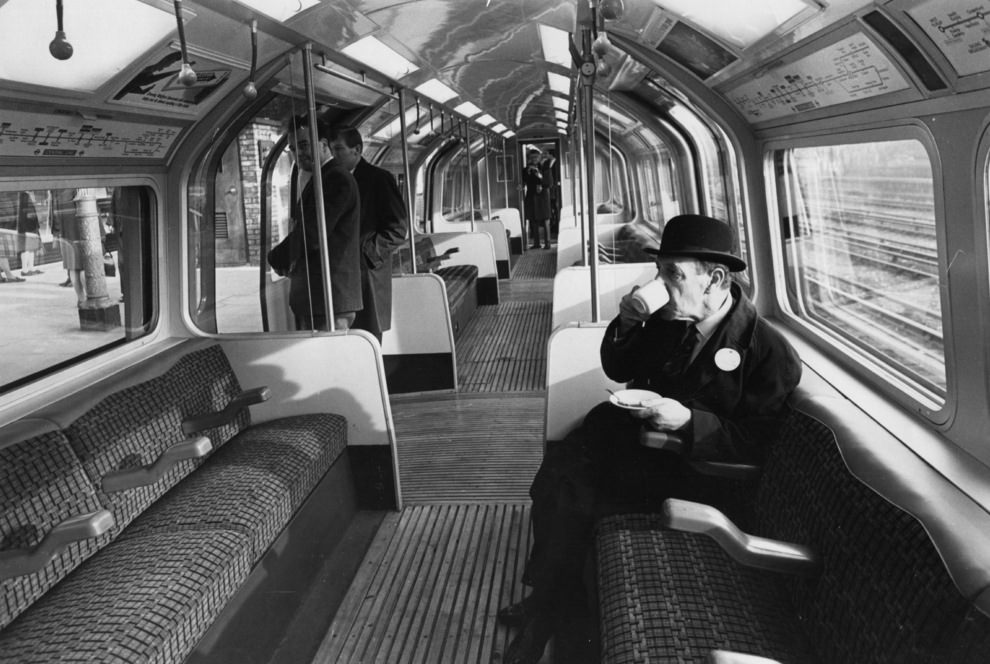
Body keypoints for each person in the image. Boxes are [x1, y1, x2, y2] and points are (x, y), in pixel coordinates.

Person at [498, 214, 803, 664]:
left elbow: (754, 442)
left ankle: (546, 612)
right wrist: (624, 324)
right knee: (556, 476)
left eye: (672, 274)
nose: (661, 283)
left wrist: (687, 421)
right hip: (630, 444)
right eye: (660, 272)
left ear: (715, 278)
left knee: (578, 496)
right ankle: (549, 603)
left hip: (688, 473)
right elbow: (619, 369)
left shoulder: (767, 352)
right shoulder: (669, 316)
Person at [267, 115, 362, 331]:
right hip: (320, 296)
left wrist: (277, 256)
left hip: (329, 297)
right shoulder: (323, 178)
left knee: (330, 361)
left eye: (303, 145)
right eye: (292, 148)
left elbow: (313, 233)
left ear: (324, 144)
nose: (298, 154)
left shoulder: (336, 179)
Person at [327, 126, 408, 342]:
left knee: (369, 342)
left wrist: (364, 256)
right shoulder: (329, 182)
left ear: (357, 150)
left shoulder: (379, 179)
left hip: (367, 278)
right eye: (330, 149)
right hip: (339, 281)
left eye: (339, 149)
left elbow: (397, 230)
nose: (334, 156)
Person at [522, 150, 551, 249]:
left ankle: (547, 243)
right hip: (531, 197)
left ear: (539, 158)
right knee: (533, 220)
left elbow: (549, 183)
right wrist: (529, 173)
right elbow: (524, 181)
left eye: (536, 157)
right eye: (532, 157)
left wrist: (541, 178)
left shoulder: (545, 168)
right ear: (529, 158)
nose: (534, 159)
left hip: (543, 198)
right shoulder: (526, 169)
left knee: (546, 220)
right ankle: (536, 243)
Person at [16, 191, 42, 277]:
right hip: (27, 226)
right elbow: (26, 212)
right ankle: (25, 269)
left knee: (31, 248)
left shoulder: (26, 195)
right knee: (26, 248)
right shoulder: (24, 195)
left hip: (30, 225)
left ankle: (31, 268)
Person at [541, 150, 561, 240]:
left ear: (550, 155)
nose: (546, 156)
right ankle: (553, 226)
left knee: (556, 208)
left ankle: (557, 226)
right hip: (550, 190)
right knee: (551, 208)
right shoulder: (546, 163)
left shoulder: (558, 162)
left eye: (547, 154)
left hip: (556, 189)